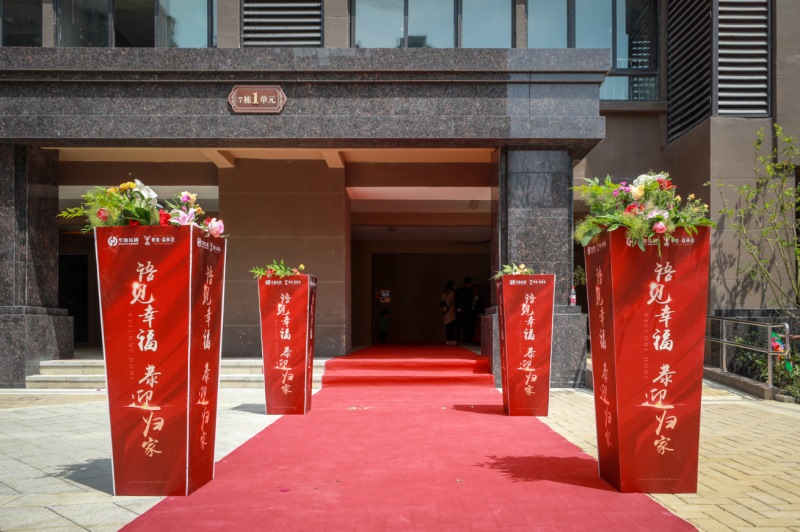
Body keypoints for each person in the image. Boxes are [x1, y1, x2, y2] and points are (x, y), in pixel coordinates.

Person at [454, 277, 474, 344]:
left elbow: (455, 300)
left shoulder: (458, 290)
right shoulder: (471, 291)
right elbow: (470, 302)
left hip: (459, 310)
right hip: (466, 310)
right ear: (470, 283)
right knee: (466, 325)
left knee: (458, 325)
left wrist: (458, 307)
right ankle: (465, 340)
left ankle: (457, 339)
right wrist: (467, 308)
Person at [441, 280, 456, 345]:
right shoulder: (452, 293)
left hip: (445, 312)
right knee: (452, 327)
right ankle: (451, 339)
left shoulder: (444, 293)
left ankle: (448, 339)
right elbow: (453, 302)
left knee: (448, 327)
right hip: (451, 312)